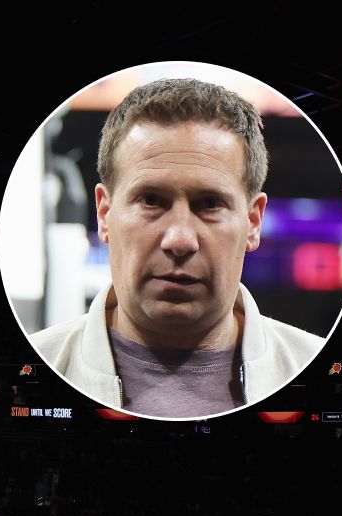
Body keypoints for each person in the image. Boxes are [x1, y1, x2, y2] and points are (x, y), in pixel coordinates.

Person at [29, 77, 325, 418]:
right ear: (105, 214)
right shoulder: (37, 363)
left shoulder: (314, 367)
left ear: (253, 222)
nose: (180, 240)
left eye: (210, 204)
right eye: (151, 200)